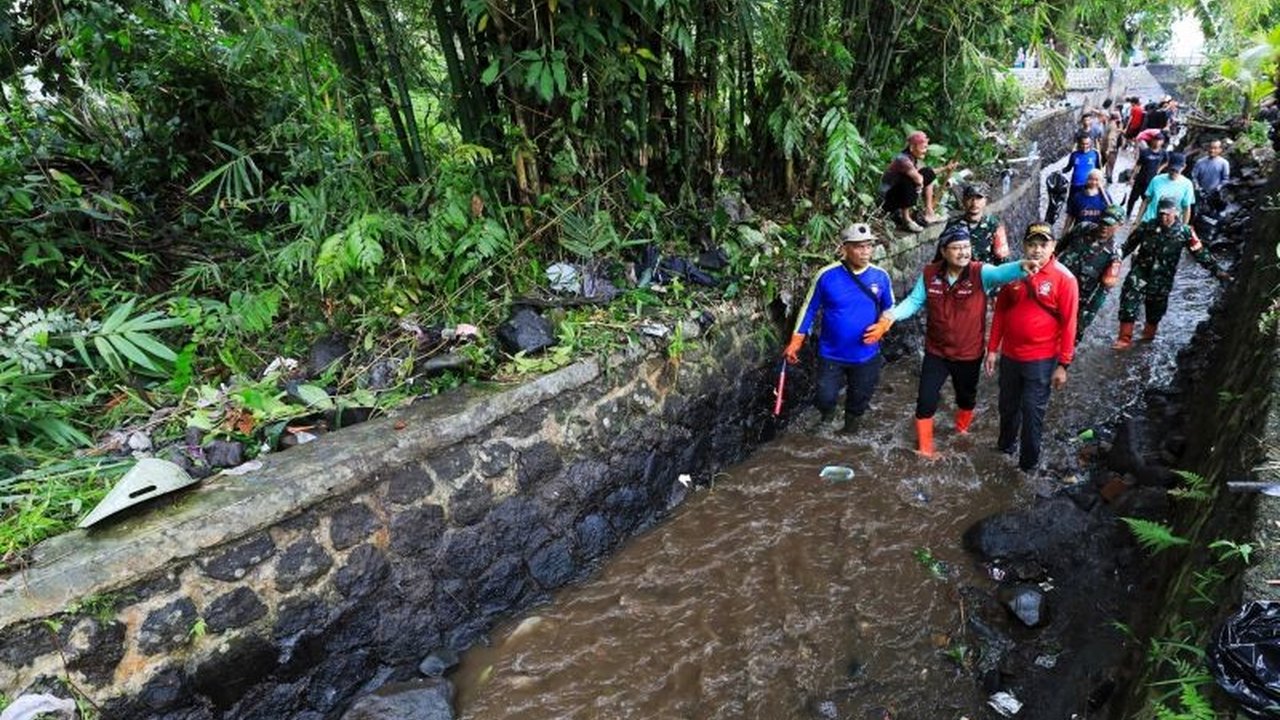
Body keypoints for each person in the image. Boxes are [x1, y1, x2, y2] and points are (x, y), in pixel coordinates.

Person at [865, 224, 1036, 456]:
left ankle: (961, 429)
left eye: (966, 247)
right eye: (957, 248)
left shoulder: (980, 273)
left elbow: (1000, 273)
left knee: (966, 397)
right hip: (936, 351)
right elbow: (914, 302)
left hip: (968, 353)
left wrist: (1020, 267)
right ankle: (926, 450)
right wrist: (891, 316)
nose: (963, 252)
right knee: (925, 399)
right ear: (944, 251)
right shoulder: (930, 273)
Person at [985, 223, 1079, 473]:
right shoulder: (1013, 272)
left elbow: (1070, 323)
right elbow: (1001, 312)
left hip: (1041, 359)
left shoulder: (1065, 279)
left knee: (1032, 412)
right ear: (1024, 245)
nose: (1037, 250)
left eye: (1043, 244)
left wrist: (1063, 364)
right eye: (1032, 244)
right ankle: (1004, 449)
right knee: (1007, 406)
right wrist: (992, 348)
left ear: (1053, 247)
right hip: (1010, 356)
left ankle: (1028, 466)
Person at [784, 224, 894, 432]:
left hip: (866, 354)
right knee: (824, 397)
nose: (866, 252)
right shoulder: (826, 275)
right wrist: (796, 340)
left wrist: (883, 325)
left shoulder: (880, 276)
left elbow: (889, 307)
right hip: (831, 353)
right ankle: (827, 418)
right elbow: (809, 308)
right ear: (844, 248)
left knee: (858, 402)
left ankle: (849, 432)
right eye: (859, 247)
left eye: (869, 246)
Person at [1112, 197, 1232, 349]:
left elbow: (1200, 254)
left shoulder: (1185, 232)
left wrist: (1218, 271)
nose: (1164, 217)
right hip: (1140, 272)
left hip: (1162, 278)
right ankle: (1124, 339)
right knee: (1129, 302)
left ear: (1176, 213)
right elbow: (1127, 246)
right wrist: (1113, 261)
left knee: (1155, 311)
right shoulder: (1147, 227)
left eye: (1168, 214)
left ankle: (1147, 339)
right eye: (1161, 213)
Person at [1055, 205, 1125, 342]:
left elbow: (1102, 292)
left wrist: (1085, 319)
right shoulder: (1082, 228)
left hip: (1077, 299)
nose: (1104, 227)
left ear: (1119, 226)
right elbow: (1058, 248)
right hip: (1055, 285)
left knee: (1066, 339)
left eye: (1110, 225)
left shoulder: (1114, 255)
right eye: (1103, 222)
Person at [879, 131, 956, 232]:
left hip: (896, 196)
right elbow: (918, 179)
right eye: (923, 147)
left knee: (927, 172)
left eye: (926, 147)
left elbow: (928, 173)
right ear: (912, 148)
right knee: (908, 181)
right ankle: (906, 219)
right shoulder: (903, 160)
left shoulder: (911, 158)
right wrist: (919, 186)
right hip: (887, 200)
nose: (925, 150)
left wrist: (946, 168)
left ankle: (929, 212)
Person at [943, 182, 1009, 264]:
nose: (974, 202)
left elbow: (1003, 259)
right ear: (963, 200)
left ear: (986, 200)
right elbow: (943, 256)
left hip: (986, 274)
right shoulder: (953, 225)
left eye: (979, 198)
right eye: (970, 198)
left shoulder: (994, 225)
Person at [1136, 151, 1195, 225]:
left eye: (1177, 170)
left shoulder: (1187, 185)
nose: (1174, 172)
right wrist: (1137, 221)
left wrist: (1184, 227)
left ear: (1184, 167)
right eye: (1172, 169)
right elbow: (1146, 201)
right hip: (1149, 221)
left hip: (1170, 225)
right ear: (1168, 166)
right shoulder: (1157, 180)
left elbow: (1186, 208)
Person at [1126, 131, 1169, 216]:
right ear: (1152, 141)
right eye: (1156, 140)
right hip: (1140, 179)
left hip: (1152, 180)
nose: (1157, 142)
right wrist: (1132, 177)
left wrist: (1159, 169)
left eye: (1159, 140)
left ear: (1162, 142)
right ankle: (1128, 214)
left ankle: (1142, 216)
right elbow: (1138, 165)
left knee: (1147, 199)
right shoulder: (1145, 152)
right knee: (1133, 198)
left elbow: (1166, 162)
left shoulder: (1163, 153)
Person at [1061, 132, 1102, 208]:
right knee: (1071, 206)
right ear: (1079, 143)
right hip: (1075, 185)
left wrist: (1099, 183)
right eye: (1083, 144)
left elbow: (1099, 169)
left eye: (1087, 144)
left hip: (1088, 186)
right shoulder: (1074, 154)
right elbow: (1068, 167)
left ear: (1090, 143)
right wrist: (1060, 172)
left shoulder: (1095, 154)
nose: (1085, 146)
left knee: (1085, 207)